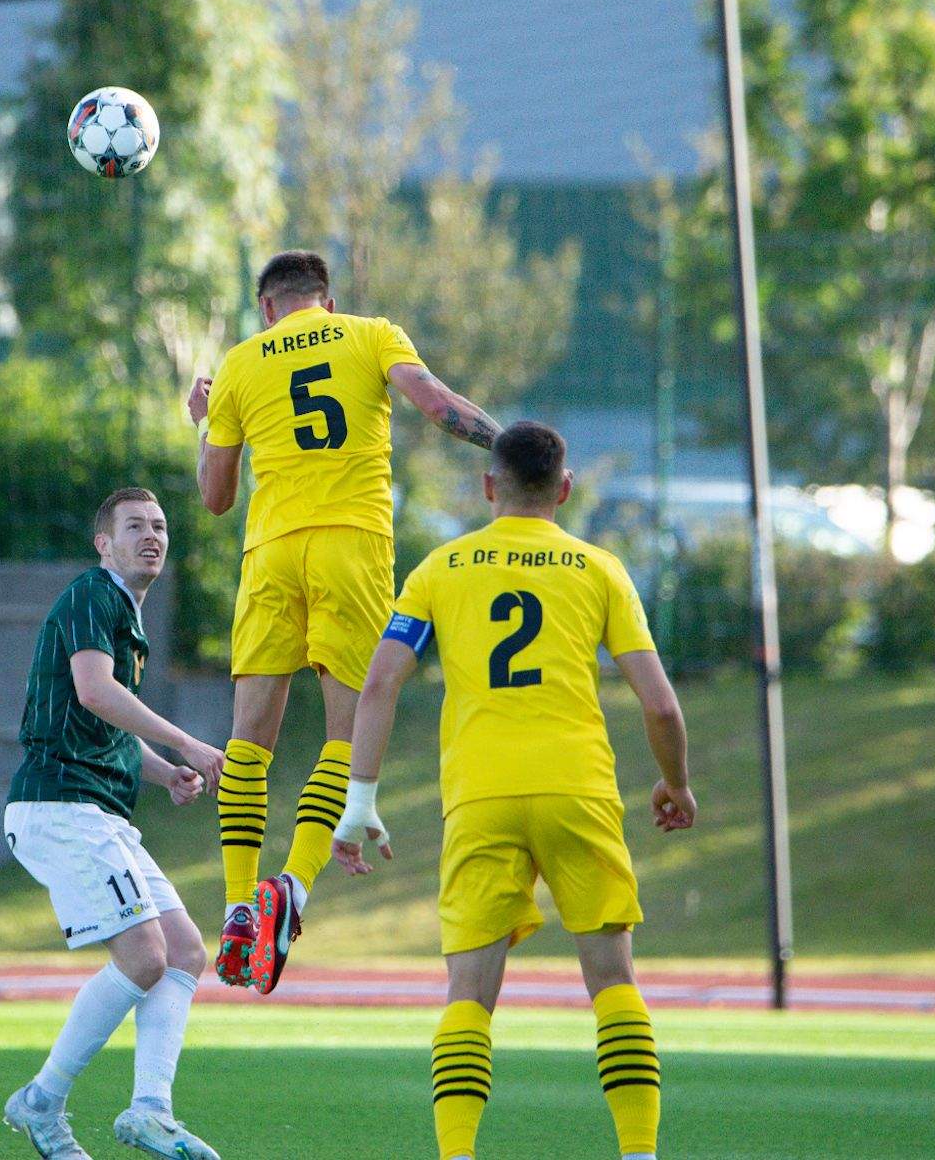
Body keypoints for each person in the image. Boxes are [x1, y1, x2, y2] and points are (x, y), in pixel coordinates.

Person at [330, 421, 696, 1160]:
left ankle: (459, 1154)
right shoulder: (599, 569)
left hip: (480, 795)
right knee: (613, 982)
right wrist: (676, 785)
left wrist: (360, 800)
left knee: (469, 993)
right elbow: (660, 705)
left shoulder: (441, 567)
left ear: (488, 485)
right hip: (577, 790)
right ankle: (639, 1154)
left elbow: (378, 684)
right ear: (564, 490)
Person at [186, 249, 499, 993]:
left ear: (267, 308)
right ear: (326, 300)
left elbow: (216, 497)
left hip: (270, 553)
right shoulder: (369, 335)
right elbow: (433, 402)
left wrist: (202, 423)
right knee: (345, 732)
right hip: (351, 545)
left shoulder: (237, 364)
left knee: (248, 743)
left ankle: (235, 901)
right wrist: (506, 442)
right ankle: (291, 887)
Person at [0, 487, 228, 1160]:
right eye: (134, 526)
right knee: (144, 956)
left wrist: (165, 774)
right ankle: (42, 1102)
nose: (151, 535)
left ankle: (150, 1111)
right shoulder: (93, 596)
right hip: (60, 807)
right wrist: (189, 745)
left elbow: (105, 724)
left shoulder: (124, 616)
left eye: (159, 526)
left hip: (96, 812)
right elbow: (96, 692)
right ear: (104, 543)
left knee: (185, 953)